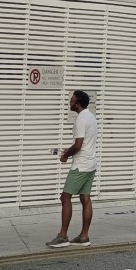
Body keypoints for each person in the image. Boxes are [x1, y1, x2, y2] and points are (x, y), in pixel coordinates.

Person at [47, 90, 98, 247]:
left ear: (78, 103)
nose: (69, 103)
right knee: (85, 198)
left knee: (65, 197)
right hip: (91, 163)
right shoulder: (91, 116)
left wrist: (65, 155)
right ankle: (84, 236)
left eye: (72, 100)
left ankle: (62, 236)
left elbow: (78, 144)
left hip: (80, 165)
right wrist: (68, 151)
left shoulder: (81, 119)